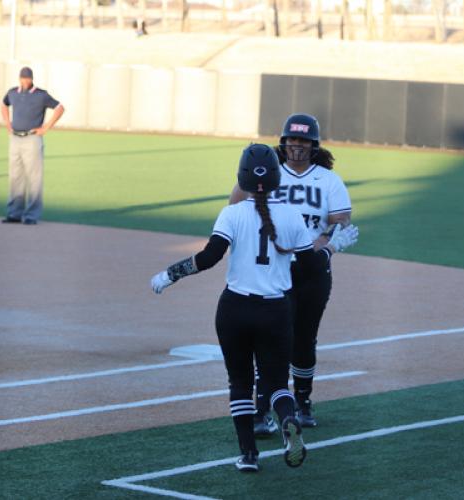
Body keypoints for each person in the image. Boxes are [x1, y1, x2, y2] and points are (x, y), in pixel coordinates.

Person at [151, 144, 359, 472]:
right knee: (277, 383)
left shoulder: (231, 213)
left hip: (233, 310)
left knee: (240, 383)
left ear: (242, 178)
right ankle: (289, 418)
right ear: (277, 177)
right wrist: (332, 247)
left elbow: (208, 258)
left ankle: (248, 456)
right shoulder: (291, 215)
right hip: (275, 311)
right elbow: (309, 268)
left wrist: (169, 275)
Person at [229, 114, 352, 434]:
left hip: (311, 269)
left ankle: (302, 401)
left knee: (303, 339)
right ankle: (262, 408)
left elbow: (340, 222)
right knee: (268, 340)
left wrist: (313, 248)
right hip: (272, 269)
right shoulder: (268, 171)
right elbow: (235, 204)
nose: (297, 146)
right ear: (283, 143)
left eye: (304, 141)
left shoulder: (328, 180)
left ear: (314, 146)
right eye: (292, 141)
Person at [1, 66, 65, 225]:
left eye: (28, 78)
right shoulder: (13, 92)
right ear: (19, 78)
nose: (25, 80)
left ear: (32, 79)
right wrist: (7, 124)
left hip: (32, 138)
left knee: (34, 178)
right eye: (23, 78)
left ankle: (31, 216)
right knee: (15, 177)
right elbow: (4, 104)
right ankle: (14, 214)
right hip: (15, 138)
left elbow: (59, 108)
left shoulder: (40, 95)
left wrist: (46, 127)